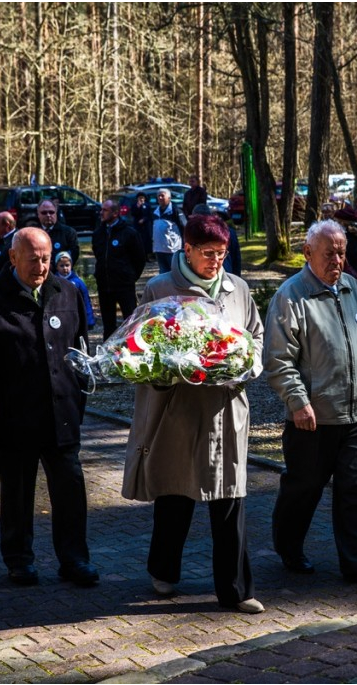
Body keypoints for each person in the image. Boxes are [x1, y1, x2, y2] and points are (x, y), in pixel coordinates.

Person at [122, 214, 265, 614]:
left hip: (225, 408)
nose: (217, 261)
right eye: (208, 254)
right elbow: (140, 346)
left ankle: (237, 589)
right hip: (177, 410)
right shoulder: (160, 288)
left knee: (230, 497)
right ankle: (164, 571)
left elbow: (255, 335)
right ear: (186, 249)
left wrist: (244, 361)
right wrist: (172, 366)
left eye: (222, 254)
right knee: (175, 492)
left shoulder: (237, 287)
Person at [0, 228, 97, 588]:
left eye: (46, 258)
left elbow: (79, 349)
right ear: (12, 258)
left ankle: (74, 558)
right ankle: (19, 560)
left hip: (62, 414)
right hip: (15, 415)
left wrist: (79, 399)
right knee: (18, 492)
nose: (41, 266)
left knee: (70, 489)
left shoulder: (66, 290)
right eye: (32, 259)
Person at [264, 220, 357, 589]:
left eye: (341, 252)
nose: (337, 259)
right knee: (304, 489)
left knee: (355, 490)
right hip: (312, 419)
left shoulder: (353, 289)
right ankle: (288, 547)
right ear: (308, 253)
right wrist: (298, 402)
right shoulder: (291, 295)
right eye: (329, 253)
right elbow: (278, 359)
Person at [92, 199, 145, 340]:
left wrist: (130, 277)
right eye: (101, 209)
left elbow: (139, 259)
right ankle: (107, 356)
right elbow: (98, 255)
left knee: (130, 323)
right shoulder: (98, 233)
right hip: (104, 287)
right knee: (108, 326)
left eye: (105, 210)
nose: (101, 213)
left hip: (124, 286)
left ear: (116, 213)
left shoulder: (129, 233)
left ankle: (133, 352)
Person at [192, 203, 242, 277]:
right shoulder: (229, 231)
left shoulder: (193, 233)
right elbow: (236, 258)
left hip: (208, 274)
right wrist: (237, 278)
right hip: (227, 272)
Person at [54, 251, 95, 330]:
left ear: (71, 265)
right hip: (59, 316)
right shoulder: (54, 281)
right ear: (56, 266)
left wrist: (89, 320)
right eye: (61, 266)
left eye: (67, 265)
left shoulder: (78, 282)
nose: (65, 268)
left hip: (75, 315)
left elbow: (86, 301)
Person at [149, 189, 186, 274]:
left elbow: (185, 227)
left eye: (163, 195)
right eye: (159, 196)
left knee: (175, 273)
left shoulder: (176, 211)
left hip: (173, 250)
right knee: (163, 274)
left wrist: (184, 245)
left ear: (169, 197)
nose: (160, 198)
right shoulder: (155, 212)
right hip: (159, 249)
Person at [37, 199, 80, 265]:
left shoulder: (69, 232)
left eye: (51, 212)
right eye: (44, 213)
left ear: (56, 213)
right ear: (38, 214)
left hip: (60, 273)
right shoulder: (33, 233)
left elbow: (73, 255)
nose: (48, 215)